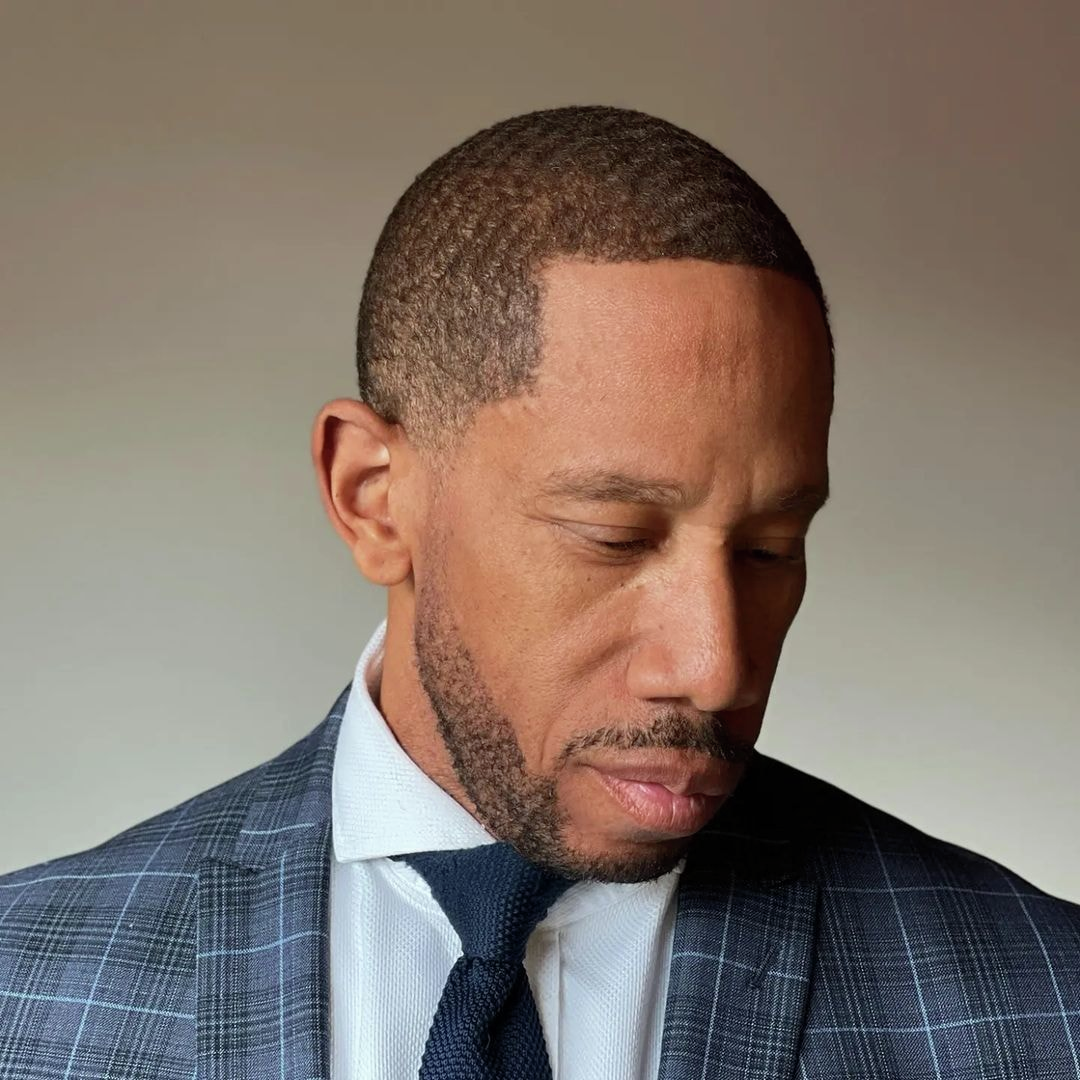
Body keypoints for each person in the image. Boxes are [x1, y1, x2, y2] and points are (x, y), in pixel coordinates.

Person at [0, 105, 1076, 1080]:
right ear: (373, 498)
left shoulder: (1049, 1007)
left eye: (768, 548)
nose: (716, 668)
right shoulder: (23, 990)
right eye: (614, 537)